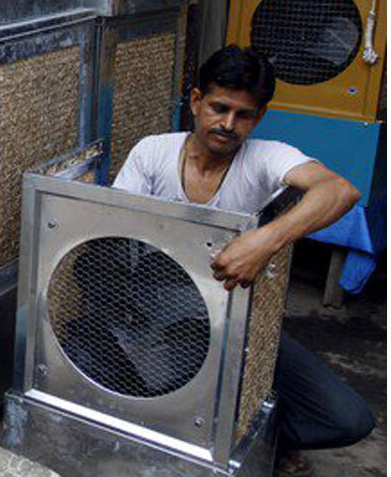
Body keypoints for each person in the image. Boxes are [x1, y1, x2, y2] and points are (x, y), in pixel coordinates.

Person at [113, 45, 375, 477]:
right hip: (161, 314)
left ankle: (267, 438)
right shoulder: (152, 152)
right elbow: (115, 237)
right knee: (162, 405)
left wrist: (265, 240)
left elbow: (339, 191)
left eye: (244, 115)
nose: (228, 125)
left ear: (259, 118)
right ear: (196, 101)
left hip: (239, 314)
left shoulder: (265, 157)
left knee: (348, 419)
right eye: (218, 108)